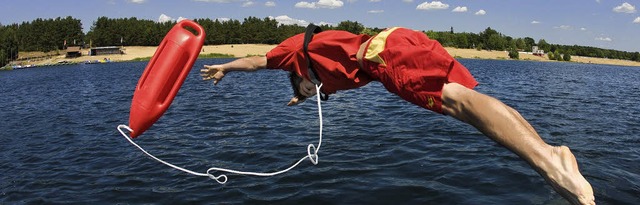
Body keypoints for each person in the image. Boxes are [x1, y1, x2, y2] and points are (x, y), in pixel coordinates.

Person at [200, 26, 595, 205]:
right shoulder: (322, 74)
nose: (315, 93)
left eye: (308, 87)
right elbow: (315, 87)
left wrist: (226, 67)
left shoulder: (292, 54)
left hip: (383, 54)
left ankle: (549, 161)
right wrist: (303, 98)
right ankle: (548, 150)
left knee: (461, 105)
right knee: (467, 102)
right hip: (395, 43)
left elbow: (258, 60)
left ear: (298, 73)